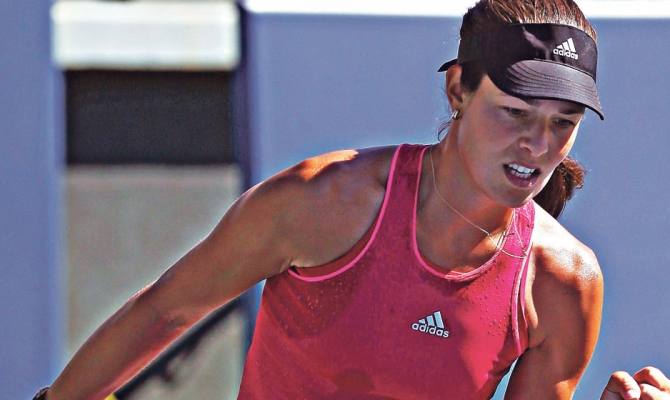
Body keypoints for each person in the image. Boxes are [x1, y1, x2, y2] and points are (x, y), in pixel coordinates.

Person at [32, 0, 670, 399]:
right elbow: (166, 311)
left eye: (563, 122)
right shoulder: (323, 200)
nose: (537, 144)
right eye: (515, 112)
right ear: (458, 90)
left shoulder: (564, 282)